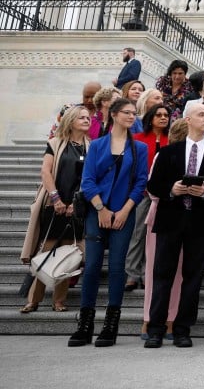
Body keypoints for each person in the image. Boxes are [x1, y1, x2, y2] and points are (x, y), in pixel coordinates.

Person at [144, 101, 204, 348]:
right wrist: (171, 189)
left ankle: (183, 329)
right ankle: (156, 329)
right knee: (163, 274)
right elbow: (153, 185)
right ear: (188, 120)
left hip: (200, 223)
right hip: (170, 220)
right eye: (201, 114)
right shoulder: (168, 152)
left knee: (192, 277)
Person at [69, 97, 149, 347]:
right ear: (113, 114)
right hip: (97, 212)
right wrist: (101, 209)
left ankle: (110, 325)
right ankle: (85, 325)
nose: (132, 116)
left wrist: (125, 211)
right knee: (92, 266)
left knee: (117, 267)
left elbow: (141, 183)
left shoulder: (139, 148)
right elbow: (88, 180)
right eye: (127, 112)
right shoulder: (97, 145)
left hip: (125, 213)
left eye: (134, 113)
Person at [21, 106, 90, 314]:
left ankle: (59, 300)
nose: (87, 120)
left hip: (77, 206)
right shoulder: (55, 143)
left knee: (68, 255)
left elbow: (90, 177)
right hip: (54, 203)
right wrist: (56, 198)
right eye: (81, 117)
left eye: (88, 117)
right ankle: (33, 300)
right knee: (47, 252)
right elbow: (46, 171)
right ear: (70, 120)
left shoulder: (91, 146)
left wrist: (75, 204)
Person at [124, 104, 172, 292]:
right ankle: (132, 274)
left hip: (165, 195)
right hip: (142, 193)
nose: (163, 118)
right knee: (138, 234)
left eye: (166, 115)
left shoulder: (172, 139)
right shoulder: (137, 139)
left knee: (156, 236)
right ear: (150, 118)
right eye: (159, 115)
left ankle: (148, 274)